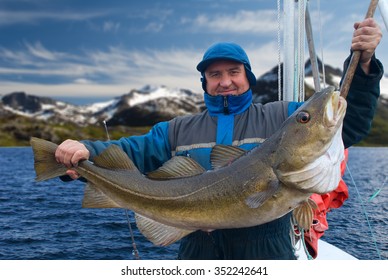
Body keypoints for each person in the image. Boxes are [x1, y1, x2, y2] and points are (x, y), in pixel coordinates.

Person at [55, 18, 383, 260]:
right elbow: (133, 150)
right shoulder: (178, 129)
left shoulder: (281, 116)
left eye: (233, 73)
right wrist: (87, 151)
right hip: (197, 254)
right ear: (205, 82)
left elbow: (347, 125)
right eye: (215, 75)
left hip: (266, 253)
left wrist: (364, 63)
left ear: (248, 78)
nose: (225, 82)